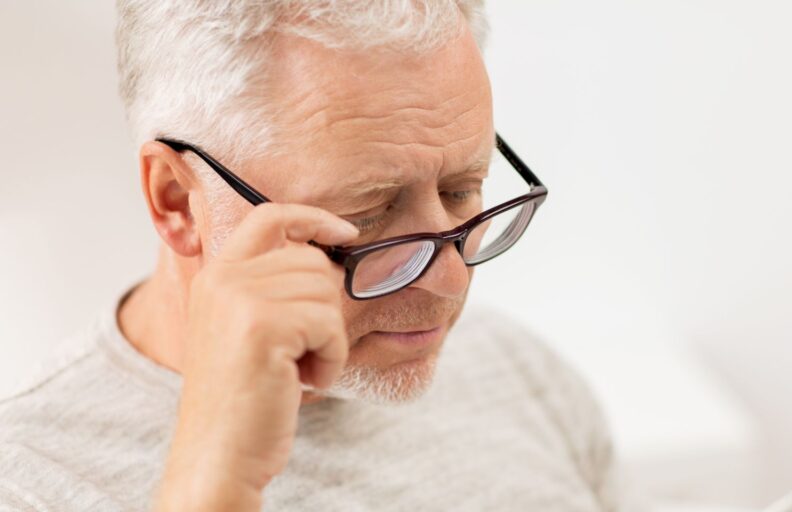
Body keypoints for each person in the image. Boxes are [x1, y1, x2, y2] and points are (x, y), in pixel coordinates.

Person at [0, 1, 642, 510]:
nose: (449, 281)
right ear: (176, 201)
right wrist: (213, 483)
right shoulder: (31, 481)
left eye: (460, 190)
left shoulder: (518, 373)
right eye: (364, 217)